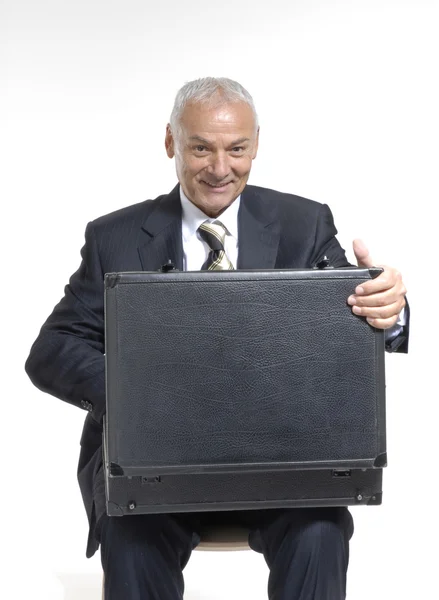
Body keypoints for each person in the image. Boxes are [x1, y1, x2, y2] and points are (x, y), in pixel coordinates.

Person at [25, 77, 408, 600]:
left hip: (281, 462)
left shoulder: (305, 223)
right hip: (152, 468)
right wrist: (141, 396)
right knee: (132, 540)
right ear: (170, 143)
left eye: (237, 149)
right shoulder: (113, 237)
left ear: (257, 145)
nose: (220, 168)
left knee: (319, 532)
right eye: (201, 147)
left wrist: (389, 307)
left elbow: (348, 320)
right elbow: (51, 351)